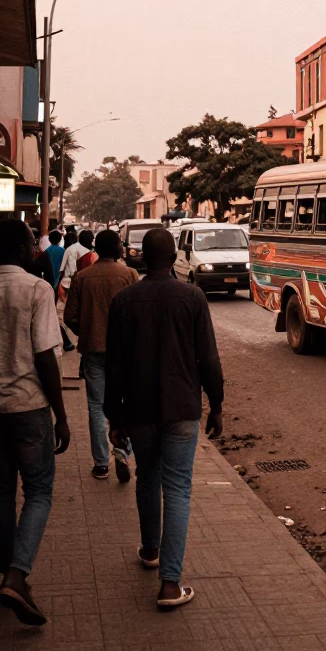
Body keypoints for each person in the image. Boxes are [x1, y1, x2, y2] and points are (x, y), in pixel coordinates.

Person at [0, 219, 70, 626]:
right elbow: (44, 357)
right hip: (29, 407)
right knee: (39, 491)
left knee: (1, 493)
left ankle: (9, 575)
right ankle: (17, 575)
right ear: (23, 250)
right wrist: (61, 415)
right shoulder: (36, 290)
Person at [104, 228, 223, 609]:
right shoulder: (192, 297)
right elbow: (208, 357)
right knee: (178, 490)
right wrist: (216, 404)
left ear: (141, 257)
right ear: (174, 258)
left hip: (138, 409)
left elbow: (115, 365)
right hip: (182, 408)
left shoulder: (125, 301)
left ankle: (151, 549)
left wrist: (113, 415)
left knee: (147, 477)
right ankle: (170, 583)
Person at [64, 230, 138, 481]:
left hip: (93, 350)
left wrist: (86, 331)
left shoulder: (82, 277)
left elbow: (70, 317)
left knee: (96, 406)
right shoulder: (129, 275)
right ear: (117, 249)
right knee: (125, 403)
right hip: (125, 352)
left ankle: (101, 463)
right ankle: (121, 452)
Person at [60, 227, 93, 293]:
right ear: (91, 240)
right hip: (84, 286)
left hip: (67, 284)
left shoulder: (69, 249)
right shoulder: (91, 253)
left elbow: (62, 270)